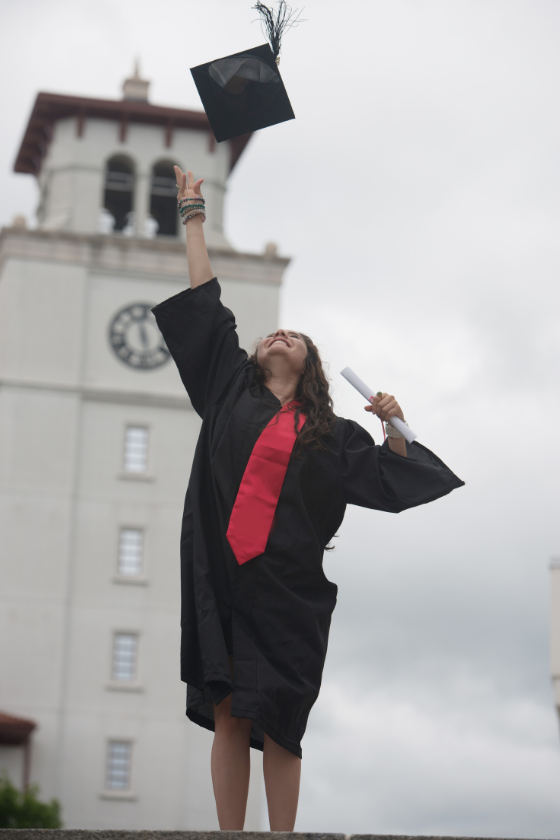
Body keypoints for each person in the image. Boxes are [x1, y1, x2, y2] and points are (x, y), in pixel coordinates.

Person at [152, 167, 464, 832]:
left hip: (288, 588)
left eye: (294, 337)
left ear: (311, 367)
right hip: (224, 574)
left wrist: (393, 424)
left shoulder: (331, 433)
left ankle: (283, 837)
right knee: (232, 707)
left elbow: (390, 477)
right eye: (274, 334)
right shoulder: (227, 388)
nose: (279, 334)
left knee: (283, 718)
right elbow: (205, 302)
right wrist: (194, 215)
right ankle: (230, 834)